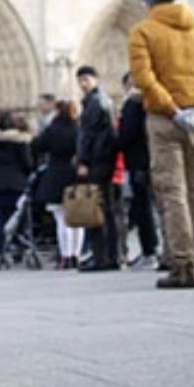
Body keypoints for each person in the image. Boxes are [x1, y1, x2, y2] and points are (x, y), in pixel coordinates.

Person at [128, 0, 194, 289]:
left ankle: (183, 265)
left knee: (174, 193)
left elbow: (144, 78)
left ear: (152, 4)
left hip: (164, 118)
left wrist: (171, 110)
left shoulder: (143, 31)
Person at [74, 66, 120, 272]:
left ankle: (101, 257)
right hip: (104, 161)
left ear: (95, 79)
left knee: (96, 209)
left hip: (97, 162)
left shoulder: (95, 102)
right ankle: (112, 255)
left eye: (86, 79)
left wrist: (84, 161)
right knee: (107, 209)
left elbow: (89, 135)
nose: (83, 84)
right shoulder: (104, 100)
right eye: (80, 80)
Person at [33, 100, 83, 268]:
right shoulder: (79, 128)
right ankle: (77, 255)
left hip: (56, 174)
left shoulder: (52, 129)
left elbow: (37, 146)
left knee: (62, 220)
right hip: (75, 174)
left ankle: (66, 256)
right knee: (77, 219)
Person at [116, 73, 159, 268]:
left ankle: (149, 250)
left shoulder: (132, 104)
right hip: (153, 159)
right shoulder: (152, 101)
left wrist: (115, 142)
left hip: (138, 163)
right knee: (155, 207)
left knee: (144, 209)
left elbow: (128, 134)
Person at [0, 113, 33, 267]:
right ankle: (18, 249)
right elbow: (27, 163)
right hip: (16, 184)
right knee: (18, 219)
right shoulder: (20, 140)